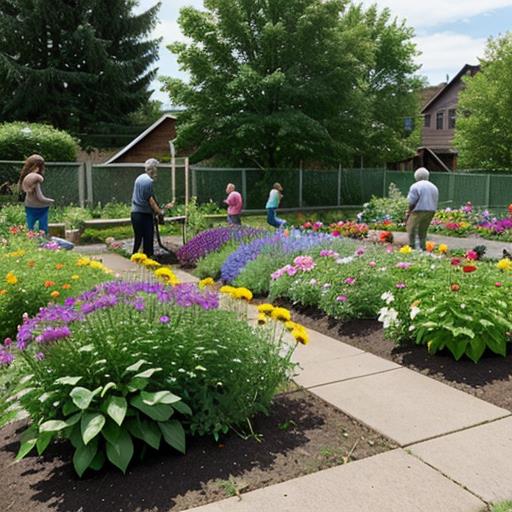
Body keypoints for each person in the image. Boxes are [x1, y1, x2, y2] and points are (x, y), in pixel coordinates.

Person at [131, 158, 173, 257]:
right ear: (152, 169)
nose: (157, 171)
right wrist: (160, 212)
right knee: (148, 239)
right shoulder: (148, 181)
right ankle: (148, 261)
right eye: (156, 169)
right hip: (144, 215)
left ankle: (134, 259)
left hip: (135, 214)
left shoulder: (139, 178)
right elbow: (151, 201)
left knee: (138, 238)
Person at [19, 154, 55, 234]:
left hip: (29, 205)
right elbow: (40, 197)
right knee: (43, 228)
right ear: (38, 167)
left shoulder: (25, 178)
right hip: (41, 207)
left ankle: (30, 240)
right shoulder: (36, 180)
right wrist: (51, 201)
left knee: (30, 226)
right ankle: (43, 241)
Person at [406, 167, 439, 250]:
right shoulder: (434, 187)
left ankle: (413, 248)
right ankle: (422, 247)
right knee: (423, 231)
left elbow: (411, 201)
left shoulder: (415, 186)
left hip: (418, 210)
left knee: (412, 229)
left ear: (416, 176)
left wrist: (408, 212)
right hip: (431, 211)